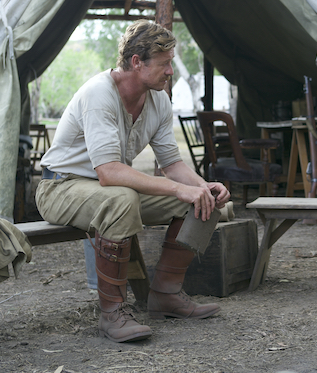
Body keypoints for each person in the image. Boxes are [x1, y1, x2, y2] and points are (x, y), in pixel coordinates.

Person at [36, 20, 231, 343]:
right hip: (60, 187)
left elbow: (172, 164)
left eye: (171, 62)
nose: (171, 71)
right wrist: (180, 188)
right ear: (137, 62)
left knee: (202, 201)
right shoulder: (100, 93)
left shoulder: (158, 100)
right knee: (121, 198)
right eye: (164, 63)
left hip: (104, 190)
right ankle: (112, 313)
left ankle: (166, 294)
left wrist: (200, 187)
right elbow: (109, 172)